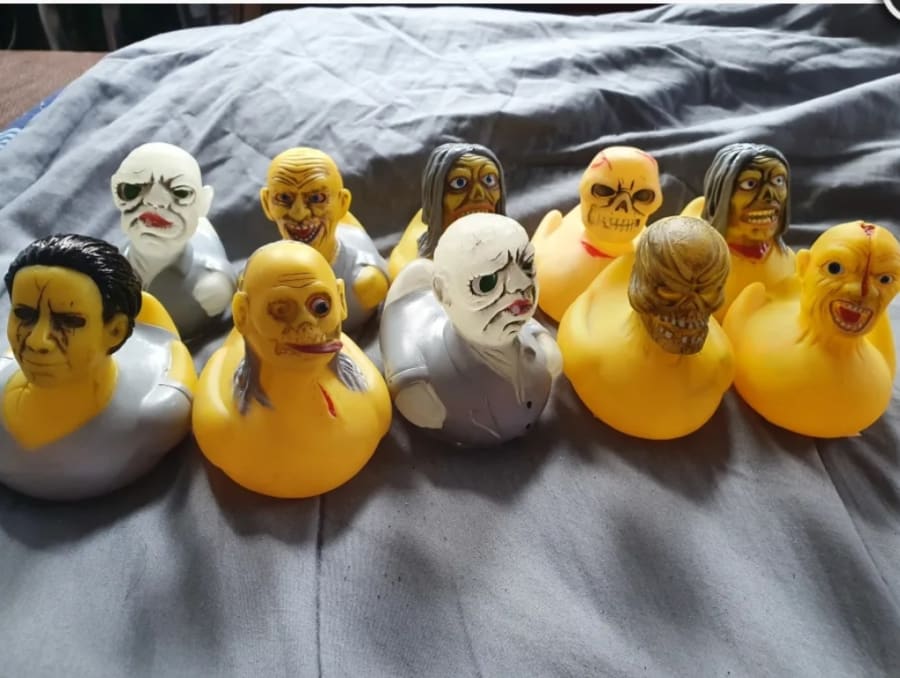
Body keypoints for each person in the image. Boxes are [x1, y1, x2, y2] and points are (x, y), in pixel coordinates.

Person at [0, 233, 196, 500]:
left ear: (115, 331)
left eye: (69, 321)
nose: (36, 342)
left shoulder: (156, 414)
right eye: (24, 314)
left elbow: (172, 347)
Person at [380, 213, 561, 447]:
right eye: (486, 283)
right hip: (412, 306)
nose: (521, 284)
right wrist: (407, 385)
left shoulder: (531, 341)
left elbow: (523, 321)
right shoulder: (423, 384)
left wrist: (539, 334)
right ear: (442, 293)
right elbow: (400, 342)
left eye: (527, 266)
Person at [111, 142, 236, 340]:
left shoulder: (208, 283)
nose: (155, 200)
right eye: (131, 190)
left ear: (203, 203)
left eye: (180, 192)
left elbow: (221, 268)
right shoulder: (112, 266)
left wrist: (225, 282)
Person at [260, 147, 389, 334]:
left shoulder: (364, 285)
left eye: (316, 198)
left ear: (342, 203)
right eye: (284, 198)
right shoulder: (261, 279)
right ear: (266, 204)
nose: (299, 214)